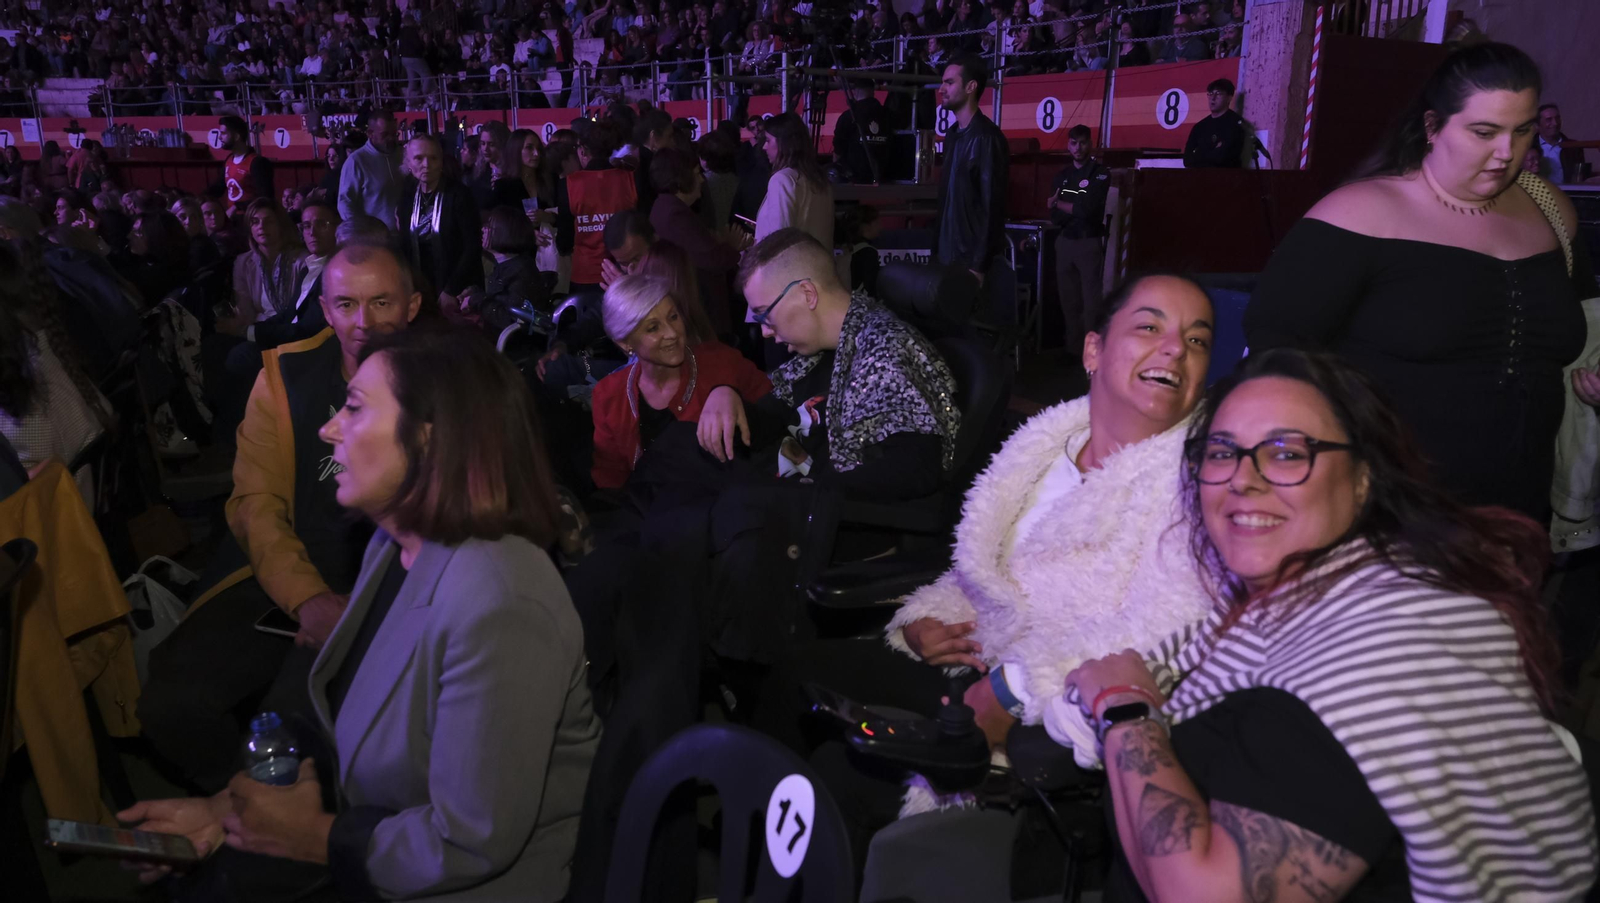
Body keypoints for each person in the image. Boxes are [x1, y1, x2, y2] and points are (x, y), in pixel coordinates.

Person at [1069, 348, 1596, 903]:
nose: (1242, 480)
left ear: (1363, 479)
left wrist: (1127, 709)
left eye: (1287, 453)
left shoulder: (1375, 662)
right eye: (1222, 452)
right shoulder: (1311, 592)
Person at [121, 327, 602, 903]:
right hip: (384, 835)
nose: (328, 429)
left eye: (353, 408)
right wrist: (228, 812)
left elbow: (470, 842)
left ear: (429, 438)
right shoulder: (393, 547)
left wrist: (317, 838)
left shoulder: (502, 602)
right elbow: (354, 715)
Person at [759, 274, 1217, 857]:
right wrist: (922, 622)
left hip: (1046, 700)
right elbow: (987, 570)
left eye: (1197, 341)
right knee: (793, 678)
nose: (1176, 349)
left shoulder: (1204, 479)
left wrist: (1015, 688)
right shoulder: (1047, 446)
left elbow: (1165, 628)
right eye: (1150, 327)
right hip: (975, 651)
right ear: (1094, 351)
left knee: (843, 775)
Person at [1245, 42, 1592, 520]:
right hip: (1389, 515)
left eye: (1523, 130)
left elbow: (1586, 316)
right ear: (1433, 127)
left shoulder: (1549, 207)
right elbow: (1273, 354)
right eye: (1484, 132)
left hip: (1520, 520)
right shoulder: (1359, 214)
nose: (1506, 152)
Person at [138, 244, 421, 794]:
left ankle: (288, 832)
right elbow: (255, 505)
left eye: (381, 302)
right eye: (346, 304)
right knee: (171, 705)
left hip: (391, 579)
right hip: (282, 567)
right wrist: (307, 597)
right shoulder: (285, 375)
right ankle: (239, 811)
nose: (363, 322)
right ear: (325, 307)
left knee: (302, 722)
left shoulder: (442, 377)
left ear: (412, 306)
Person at [591, 274, 771, 489]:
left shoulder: (722, 362)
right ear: (625, 343)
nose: (672, 333)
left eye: (673, 316)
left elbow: (780, 411)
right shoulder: (609, 395)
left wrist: (730, 393)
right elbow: (610, 482)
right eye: (653, 328)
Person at [0, 243, 112, 502]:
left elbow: (23, 485)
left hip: (60, 521)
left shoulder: (25, 387)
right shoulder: (44, 346)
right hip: (78, 504)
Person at [648, 147, 749, 335]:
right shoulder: (674, 214)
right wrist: (731, 247)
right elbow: (710, 259)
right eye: (696, 173)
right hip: (700, 310)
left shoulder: (670, 208)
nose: (702, 179)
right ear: (680, 178)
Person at [934, 54, 1009, 286]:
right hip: (946, 258)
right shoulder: (953, 134)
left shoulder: (987, 138)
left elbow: (992, 208)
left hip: (969, 264)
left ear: (971, 87)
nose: (941, 89)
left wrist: (978, 265)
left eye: (949, 82)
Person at [395, 134, 484, 315]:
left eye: (433, 158)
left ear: (441, 161)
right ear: (408, 163)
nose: (426, 165)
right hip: (420, 282)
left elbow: (472, 246)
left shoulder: (459, 194)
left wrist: (451, 290)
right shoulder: (408, 193)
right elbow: (405, 241)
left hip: (457, 284)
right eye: (419, 158)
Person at [1048, 124, 1110, 354]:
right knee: (1069, 302)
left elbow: (1088, 210)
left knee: (1091, 304)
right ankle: (1073, 352)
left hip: (1088, 242)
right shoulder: (1062, 176)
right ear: (1068, 145)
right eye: (1073, 143)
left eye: (1083, 142)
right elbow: (1053, 215)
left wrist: (1059, 204)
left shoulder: (1100, 172)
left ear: (1090, 144)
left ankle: (1091, 354)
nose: (1078, 148)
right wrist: (1065, 209)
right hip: (1065, 241)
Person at [250, 200, 341, 351]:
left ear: (337, 228)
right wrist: (250, 329)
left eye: (321, 224)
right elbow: (290, 313)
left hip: (309, 349)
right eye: (306, 226)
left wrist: (251, 332)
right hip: (290, 340)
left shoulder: (336, 272)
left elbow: (308, 330)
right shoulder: (308, 268)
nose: (312, 232)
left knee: (239, 355)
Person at [559, 122, 638, 294]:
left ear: (583, 150)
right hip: (624, 271)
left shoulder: (569, 184)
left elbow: (564, 241)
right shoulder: (631, 179)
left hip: (585, 274)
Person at [221, 199, 307, 332]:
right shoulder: (243, 262)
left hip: (292, 329)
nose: (261, 226)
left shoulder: (301, 260)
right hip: (259, 330)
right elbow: (245, 309)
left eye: (269, 221)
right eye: (255, 222)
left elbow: (301, 310)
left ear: (280, 225)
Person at [754, 112, 834, 247]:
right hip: (819, 264)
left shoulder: (781, 180)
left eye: (768, 140)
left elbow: (779, 239)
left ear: (784, 142)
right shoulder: (820, 180)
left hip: (789, 265)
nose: (764, 147)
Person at [468, 205, 551, 333]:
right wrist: (473, 292)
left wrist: (474, 300)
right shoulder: (506, 265)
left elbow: (511, 320)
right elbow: (498, 300)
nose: (483, 229)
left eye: (490, 226)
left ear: (505, 232)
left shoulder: (522, 271)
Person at [337, 108, 403, 229]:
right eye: (385, 135)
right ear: (370, 134)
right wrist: (361, 231)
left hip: (406, 234)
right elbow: (345, 203)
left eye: (394, 134)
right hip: (375, 238)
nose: (391, 139)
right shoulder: (357, 161)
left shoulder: (404, 154)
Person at [833, 78, 891, 184]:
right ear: (873, 91)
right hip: (883, 174)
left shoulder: (849, 115)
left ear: (856, 91)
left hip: (854, 178)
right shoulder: (887, 114)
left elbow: (838, 149)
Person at [1182, 78, 1245, 168]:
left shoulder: (1236, 123)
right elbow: (1187, 160)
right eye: (1210, 94)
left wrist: (1199, 153)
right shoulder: (1199, 127)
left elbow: (1222, 158)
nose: (1213, 98)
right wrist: (1213, 151)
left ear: (1229, 97)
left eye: (1218, 94)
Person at [218, 114, 274, 214]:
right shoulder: (229, 160)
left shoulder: (257, 162)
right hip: (234, 221)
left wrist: (237, 207)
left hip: (251, 220)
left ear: (236, 136)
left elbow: (265, 197)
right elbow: (218, 187)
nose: (219, 137)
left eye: (223, 133)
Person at [1535, 102, 1585, 184]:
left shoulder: (1574, 147)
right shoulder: (1529, 147)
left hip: (1567, 194)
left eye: (1557, 118)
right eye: (1549, 119)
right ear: (1537, 125)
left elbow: (1580, 176)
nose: (1555, 123)